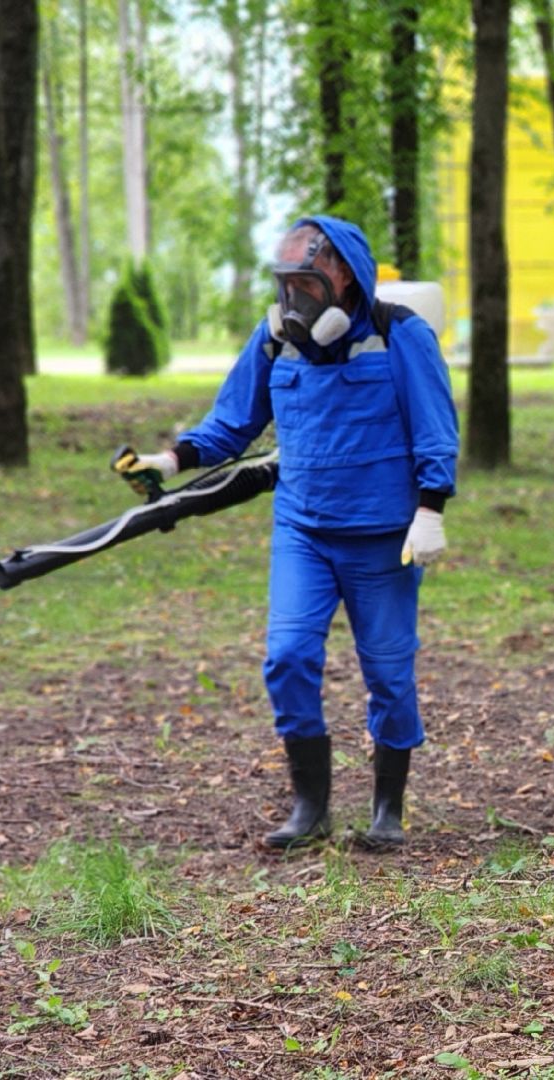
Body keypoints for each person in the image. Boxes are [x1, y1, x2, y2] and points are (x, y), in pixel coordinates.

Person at [117, 217, 459, 848]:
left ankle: (388, 809)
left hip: (383, 536)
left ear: (345, 275)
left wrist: (432, 507)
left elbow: (436, 425)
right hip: (304, 530)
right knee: (288, 657)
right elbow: (230, 424)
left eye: (306, 279)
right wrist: (167, 462)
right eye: (285, 281)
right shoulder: (277, 340)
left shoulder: (398, 334)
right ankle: (311, 809)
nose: (293, 295)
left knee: (388, 671)